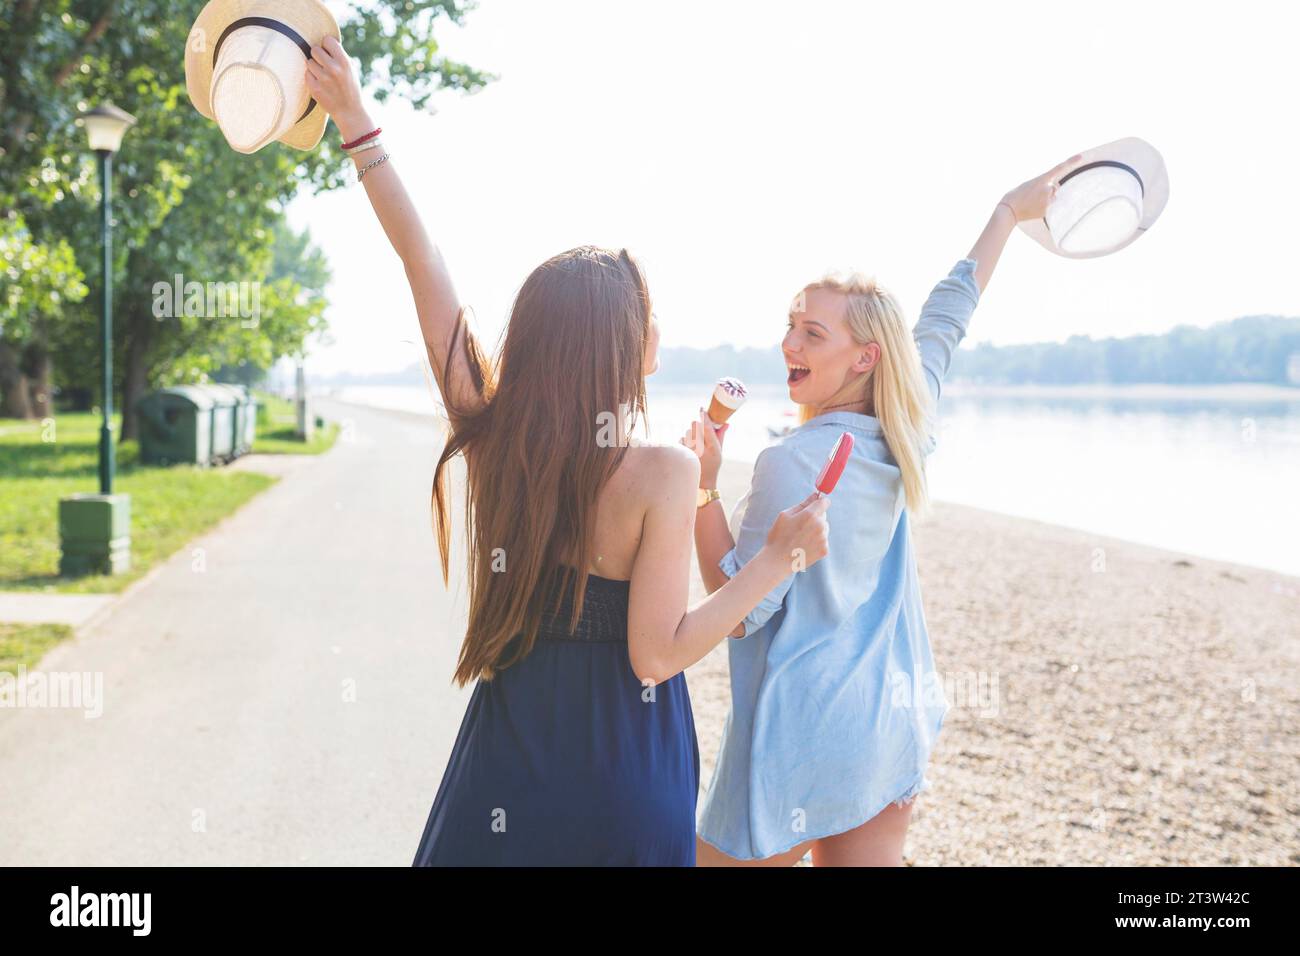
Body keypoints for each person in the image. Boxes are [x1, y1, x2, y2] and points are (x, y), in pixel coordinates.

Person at [304, 36, 831, 865]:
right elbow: (657, 653)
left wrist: (355, 120)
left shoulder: (495, 434)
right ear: (627, 344)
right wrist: (777, 560)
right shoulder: (661, 470)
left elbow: (422, 262)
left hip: (506, 764)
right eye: (648, 316)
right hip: (623, 769)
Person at [684, 154, 1083, 866]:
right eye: (791, 325)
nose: (789, 344)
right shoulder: (909, 424)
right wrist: (1004, 216)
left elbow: (739, 604)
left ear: (865, 358)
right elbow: (943, 325)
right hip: (889, 724)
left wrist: (703, 488)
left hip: (800, 737)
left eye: (813, 333)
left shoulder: (794, 461)